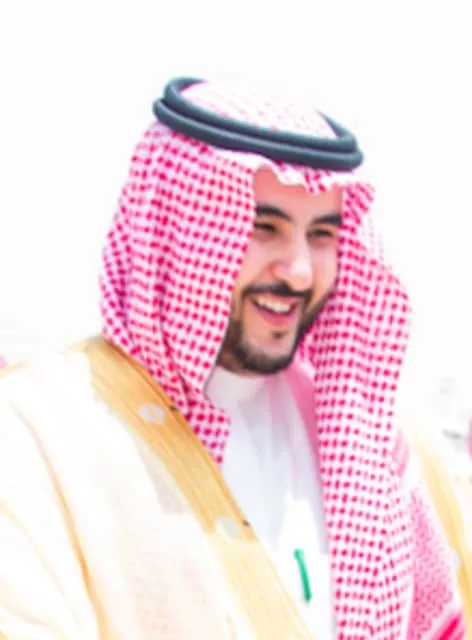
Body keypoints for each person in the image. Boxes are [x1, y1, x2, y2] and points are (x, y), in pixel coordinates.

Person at [0, 77, 470, 640]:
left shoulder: (380, 441)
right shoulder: (38, 432)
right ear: (179, 230)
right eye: (263, 228)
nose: (299, 271)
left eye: (321, 235)